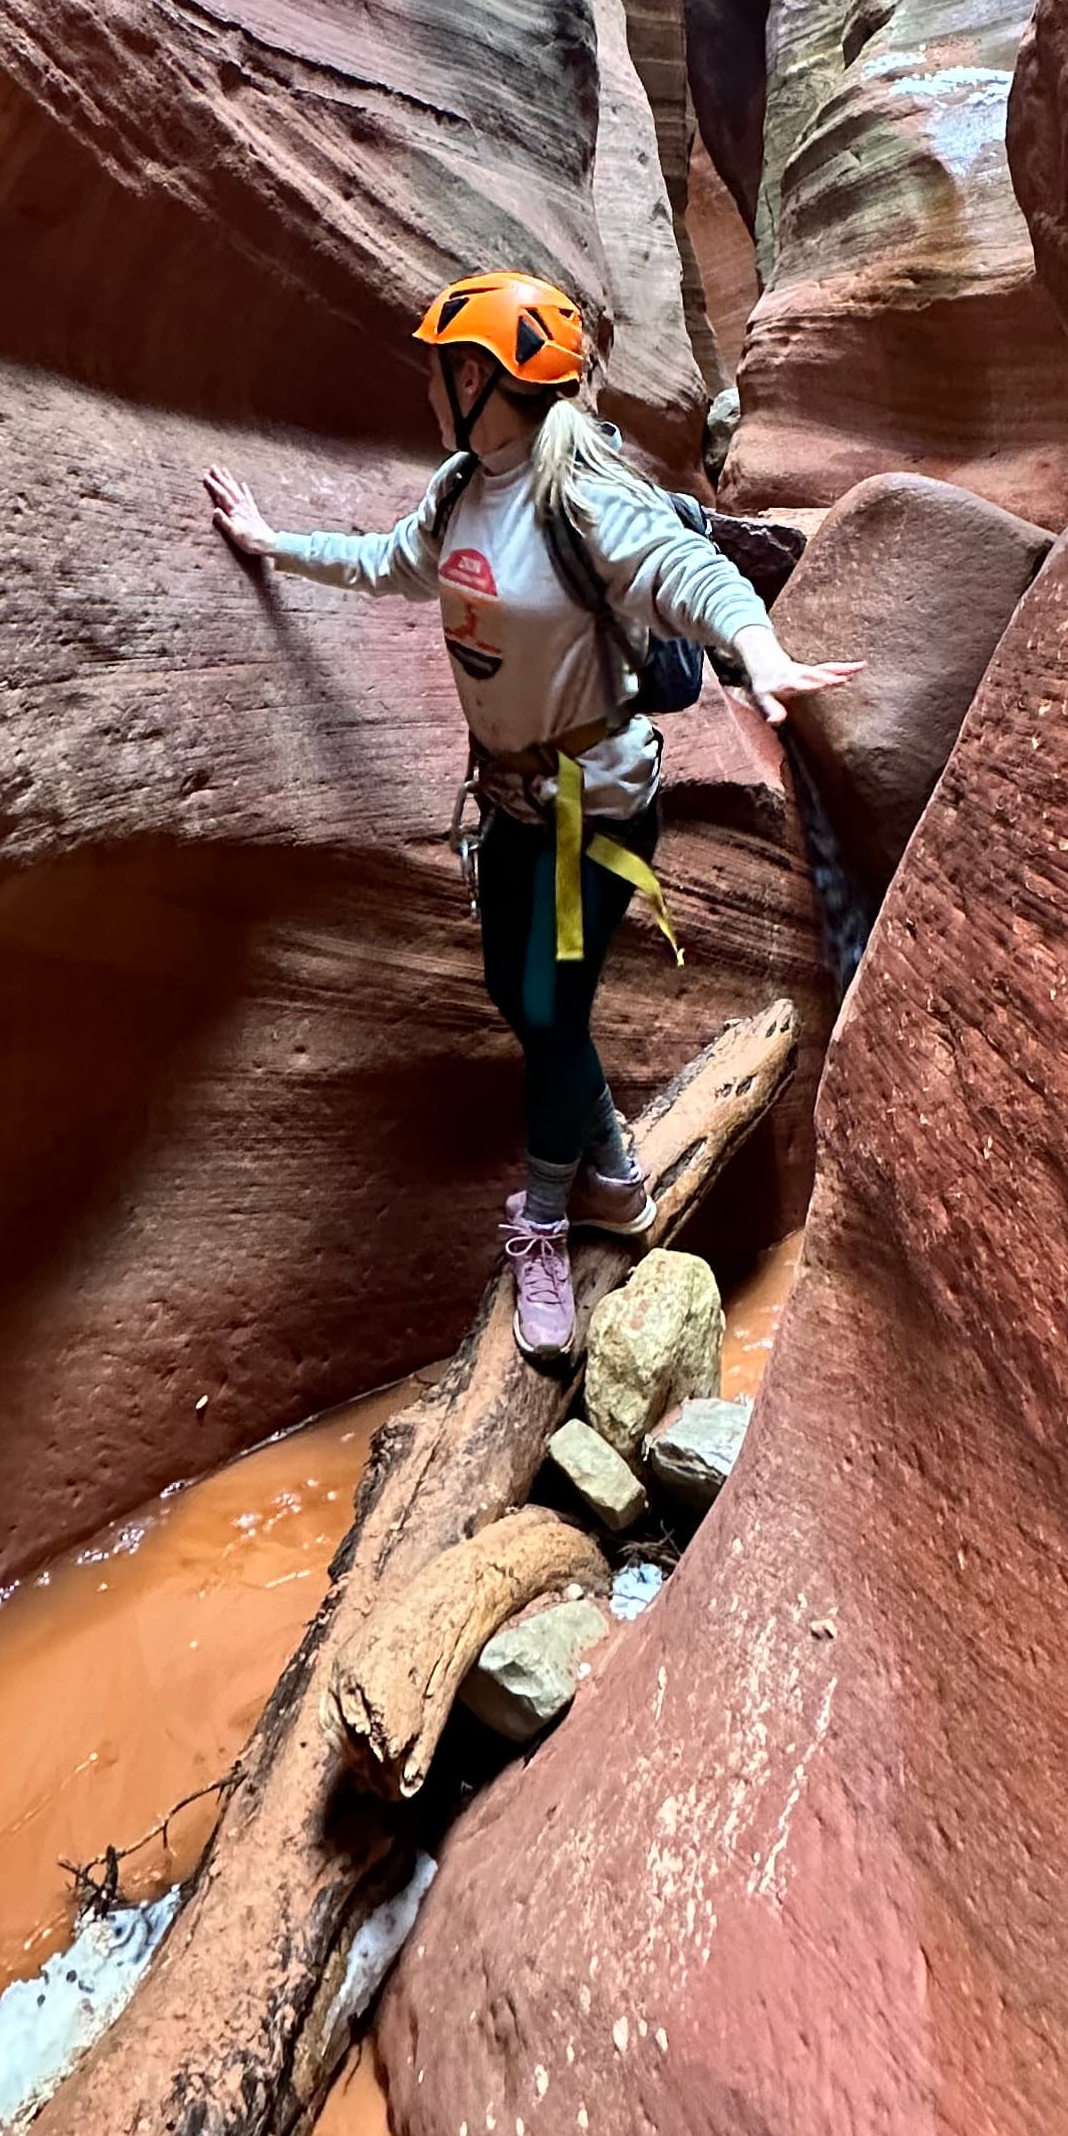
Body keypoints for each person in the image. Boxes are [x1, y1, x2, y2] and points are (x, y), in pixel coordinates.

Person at [205, 270, 858, 1358]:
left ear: (477, 379)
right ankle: (609, 1165)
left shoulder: (582, 498)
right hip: (511, 811)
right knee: (521, 998)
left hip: (595, 816)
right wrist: (276, 546)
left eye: (436, 368)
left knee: (551, 1012)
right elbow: (390, 563)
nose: (424, 383)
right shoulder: (465, 489)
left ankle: (548, 1223)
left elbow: (689, 572)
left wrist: (760, 650)